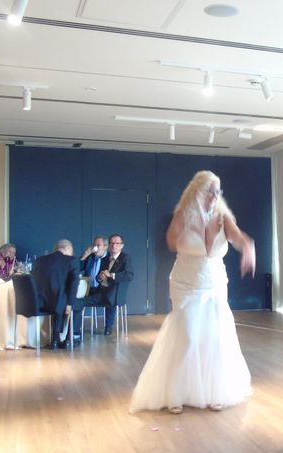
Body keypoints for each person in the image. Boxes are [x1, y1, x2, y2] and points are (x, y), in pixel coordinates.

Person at [129, 170, 255, 415]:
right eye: (210, 191)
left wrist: (248, 251)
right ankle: (175, 393)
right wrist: (189, 224)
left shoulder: (222, 217)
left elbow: (240, 239)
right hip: (186, 284)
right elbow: (170, 242)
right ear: (198, 191)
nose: (215, 196)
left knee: (215, 338)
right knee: (187, 337)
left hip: (216, 284)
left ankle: (213, 392)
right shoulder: (182, 215)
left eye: (218, 192)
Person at [72, 234, 134, 336]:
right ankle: (73, 331)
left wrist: (112, 275)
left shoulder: (125, 258)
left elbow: (129, 275)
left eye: (117, 243)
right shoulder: (102, 259)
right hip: (94, 289)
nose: (114, 245)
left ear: (122, 245)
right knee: (76, 300)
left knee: (108, 298)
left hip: (112, 293)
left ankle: (76, 333)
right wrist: (100, 277)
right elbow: (96, 276)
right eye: (112, 243)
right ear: (109, 245)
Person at [31, 239, 80, 350]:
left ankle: (55, 338)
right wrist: (69, 303)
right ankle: (69, 338)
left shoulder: (40, 260)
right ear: (67, 248)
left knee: (59, 297)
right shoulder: (71, 260)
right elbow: (74, 284)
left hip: (38, 304)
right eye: (72, 251)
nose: (72, 254)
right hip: (58, 305)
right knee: (76, 304)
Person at [74, 235, 109, 338]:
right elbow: (77, 268)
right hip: (88, 288)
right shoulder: (90, 257)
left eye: (98, 245)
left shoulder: (109, 259)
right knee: (74, 300)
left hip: (102, 290)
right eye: (94, 245)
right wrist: (85, 255)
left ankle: (108, 326)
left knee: (111, 296)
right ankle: (75, 330)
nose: (95, 247)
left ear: (105, 246)